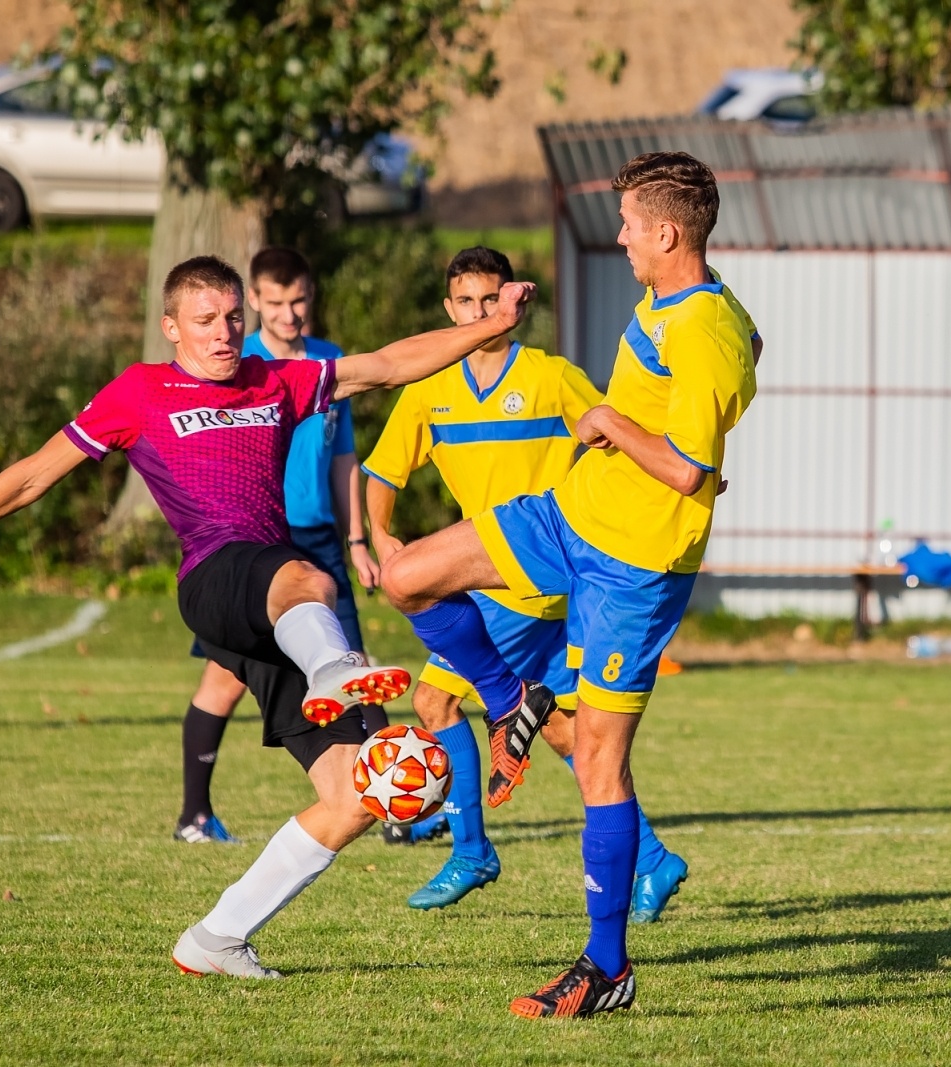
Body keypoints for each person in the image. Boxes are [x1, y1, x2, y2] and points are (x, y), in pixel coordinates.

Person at [0, 255, 535, 980]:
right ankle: (335, 668)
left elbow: (392, 364)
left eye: (234, 317)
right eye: (205, 320)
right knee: (307, 574)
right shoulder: (138, 392)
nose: (224, 332)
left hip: (278, 604)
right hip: (214, 579)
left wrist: (494, 324)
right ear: (170, 325)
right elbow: (26, 478)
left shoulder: (274, 379)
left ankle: (216, 937)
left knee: (355, 792)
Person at [380, 152, 760, 1017]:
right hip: (567, 518)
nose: (620, 235)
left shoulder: (701, 327)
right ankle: (510, 697)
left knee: (596, 759)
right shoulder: (692, 304)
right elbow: (748, 352)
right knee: (406, 576)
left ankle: (606, 966)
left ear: (667, 233)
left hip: (636, 566)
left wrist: (610, 421)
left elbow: (691, 471)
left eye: (629, 223)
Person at [364, 246, 687, 920]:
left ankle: (472, 848)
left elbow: (616, 434)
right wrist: (376, 533)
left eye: (491, 300)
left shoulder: (550, 377)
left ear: (512, 301)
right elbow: (381, 473)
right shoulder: (430, 388)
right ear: (450, 311)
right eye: (468, 303)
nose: (482, 313)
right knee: (568, 732)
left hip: (530, 573)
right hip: (483, 568)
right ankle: (654, 859)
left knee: (434, 702)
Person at [174, 247, 382, 847]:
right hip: (250, 545)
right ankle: (194, 814)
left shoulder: (328, 361)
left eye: (299, 301)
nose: (290, 314)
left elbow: (344, 456)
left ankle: (390, 800)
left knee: (354, 668)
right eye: (276, 302)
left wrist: (358, 536)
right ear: (255, 303)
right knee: (225, 679)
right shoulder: (237, 363)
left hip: (317, 539)